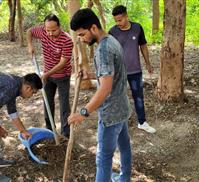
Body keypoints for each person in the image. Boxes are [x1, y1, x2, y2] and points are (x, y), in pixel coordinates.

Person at [69, 8, 132, 182]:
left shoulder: (103, 50)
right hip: (122, 109)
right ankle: (124, 178)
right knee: (124, 146)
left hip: (111, 114)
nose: (82, 39)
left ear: (93, 28)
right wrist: (90, 75)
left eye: (82, 34)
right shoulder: (112, 40)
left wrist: (83, 112)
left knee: (103, 158)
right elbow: (113, 74)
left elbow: (105, 89)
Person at [109, 5, 156, 133]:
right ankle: (120, 124)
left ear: (126, 16)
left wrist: (148, 63)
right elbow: (109, 51)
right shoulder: (113, 31)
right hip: (119, 72)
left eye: (120, 20)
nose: (118, 23)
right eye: (116, 21)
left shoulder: (137, 28)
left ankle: (142, 122)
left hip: (135, 70)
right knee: (119, 97)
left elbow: (143, 46)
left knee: (138, 97)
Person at [27, 14, 73, 138]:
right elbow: (29, 31)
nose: (50, 33)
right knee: (47, 102)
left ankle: (65, 132)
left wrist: (47, 74)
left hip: (63, 75)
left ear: (60, 27)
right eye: (48, 30)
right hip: (48, 75)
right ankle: (50, 130)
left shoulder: (67, 40)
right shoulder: (42, 32)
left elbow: (63, 63)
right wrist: (30, 45)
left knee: (64, 104)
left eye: (54, 30)